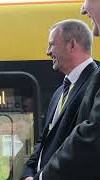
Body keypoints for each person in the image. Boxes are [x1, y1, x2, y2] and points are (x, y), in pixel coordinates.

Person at [20, 19, 97, 180]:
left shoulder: (95, 83)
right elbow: (44, 140)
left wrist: (41, 178)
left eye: (51, 45)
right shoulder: (58, 93)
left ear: (72, 45)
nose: (47, 52)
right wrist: (28, 173)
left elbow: (85, 146)